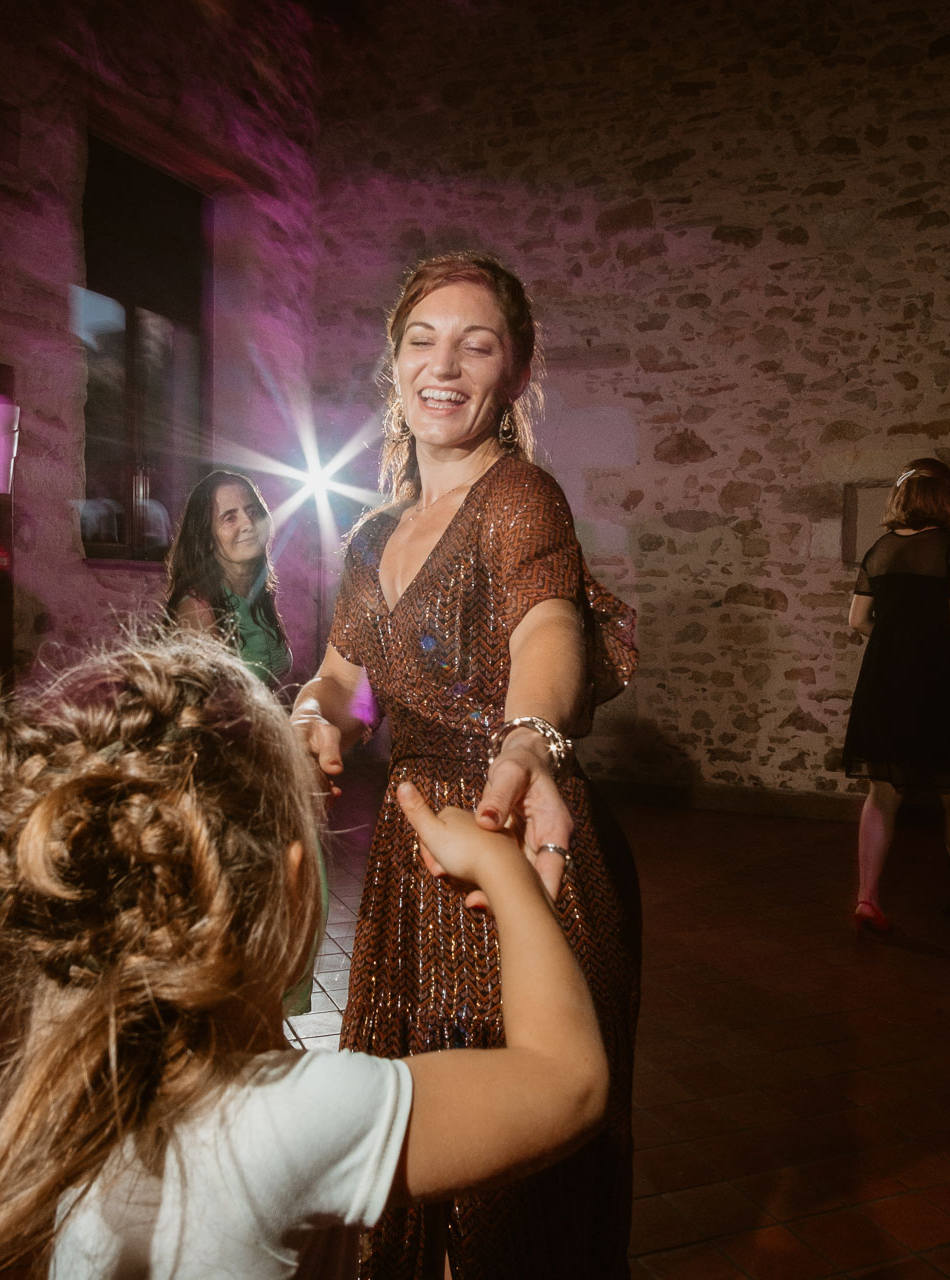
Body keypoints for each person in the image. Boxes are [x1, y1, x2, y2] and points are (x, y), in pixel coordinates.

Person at [0, 636, 609, 1279]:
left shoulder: (87, 1084)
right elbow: (566, 1082)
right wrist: (508, 871)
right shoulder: (289, 1121)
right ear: (293, 890)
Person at [289, 252, 640, 1276]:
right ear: (392, 367)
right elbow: (341, 682)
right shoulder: (368, 536)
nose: (443, 364)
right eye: (421, 340)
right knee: (416, 1127)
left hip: (519, 843)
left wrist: (530, 737)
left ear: (512, 374)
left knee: (514, 1171)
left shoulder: (519, 494)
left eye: (474, 343)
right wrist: (310, 718)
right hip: (415, 858)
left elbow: (547, 625)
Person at [843, 459, 950, 942]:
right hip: (943, 680)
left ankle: (867, 895)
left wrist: (895, 646)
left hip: (886, 679)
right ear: (941, 500)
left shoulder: (879, 550)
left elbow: (857, 621)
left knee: (882, 793)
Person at [164, 468, 293, 686]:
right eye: (230, 518)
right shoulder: (199, 608)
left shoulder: (259, 591)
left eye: (252, 512)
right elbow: (209, 711)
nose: (249, 525)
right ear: (207, 538)